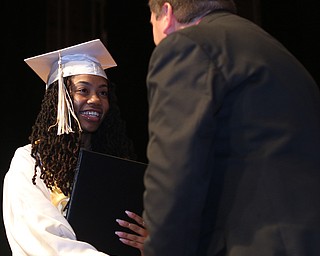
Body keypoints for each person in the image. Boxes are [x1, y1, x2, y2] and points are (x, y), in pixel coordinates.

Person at [143, 0, 320, 255]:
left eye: (152, 23)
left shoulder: (187, 46)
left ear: (166, 14)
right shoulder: (276, 52)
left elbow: (176, 171)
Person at [2, 39, 147, 256]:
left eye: (103, 92)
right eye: (83, 90)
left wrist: (149, 245)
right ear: (61, 99)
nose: (95, 100)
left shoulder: (114, 165)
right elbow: (48, 243)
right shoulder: (30, 163)